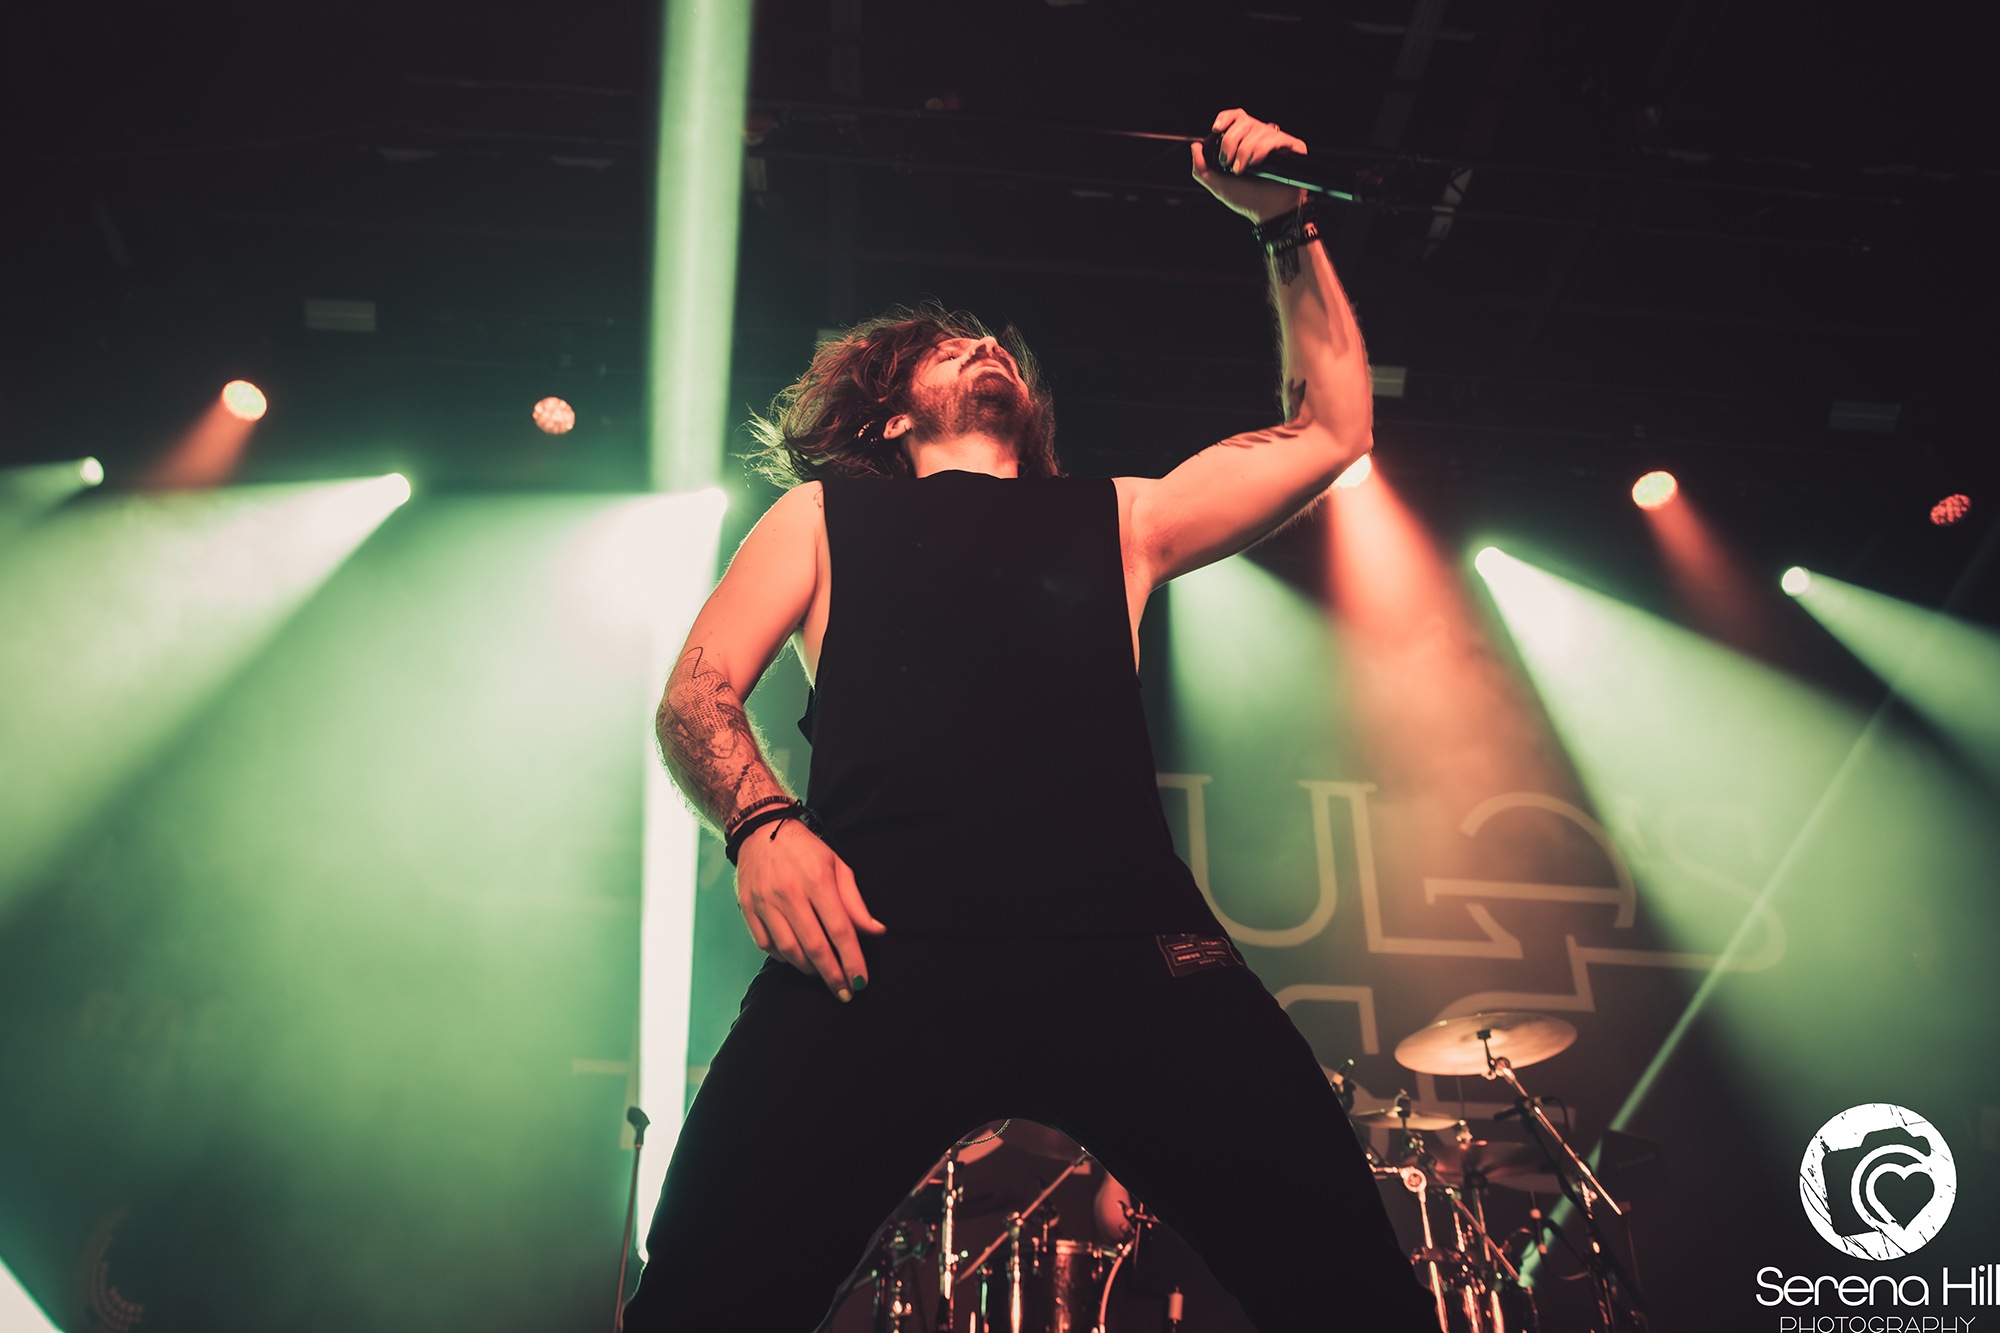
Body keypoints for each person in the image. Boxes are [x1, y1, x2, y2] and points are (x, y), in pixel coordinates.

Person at [623, 108, 1434, 1331]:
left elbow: (1331, 430)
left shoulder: (1120, 518)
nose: (980, 346)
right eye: (944, 349)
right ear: (889, 416)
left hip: (1129, 949)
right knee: (701, 1299)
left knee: (1352, 1292)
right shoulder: (825, 516)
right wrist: (761, 826)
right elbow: (694, 693)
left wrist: (1286, 227)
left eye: (989, 340)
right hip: (872, 946)